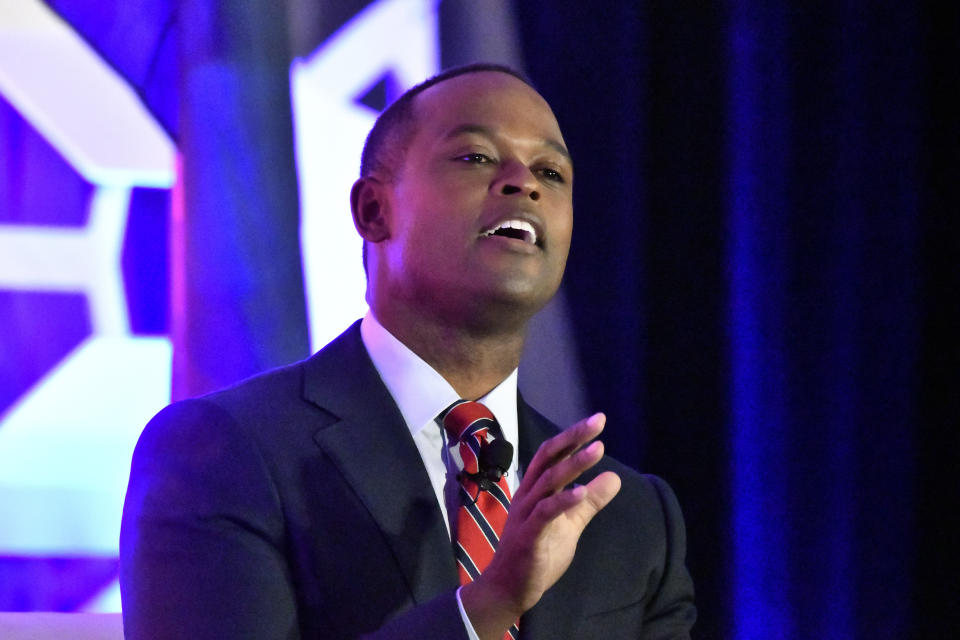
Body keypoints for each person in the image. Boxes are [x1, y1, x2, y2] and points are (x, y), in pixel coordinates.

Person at [119, 63, 696, 639]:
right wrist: (486, 607)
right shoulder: (225, 454)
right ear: (374, 211)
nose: (524, 182)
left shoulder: (629, 517)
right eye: (475, 157)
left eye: (551, 170)